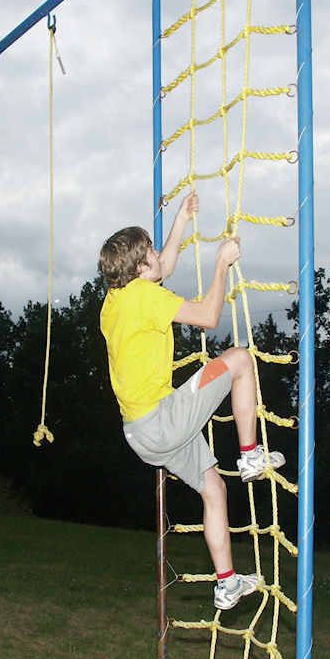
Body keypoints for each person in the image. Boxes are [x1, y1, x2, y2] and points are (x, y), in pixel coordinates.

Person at [98, 191, 286, 611]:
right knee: (239, 359)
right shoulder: (144, 296)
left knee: (214, 489)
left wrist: (182, 218)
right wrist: (221, 264)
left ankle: (227, 584)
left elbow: (162, 267)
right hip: (161, 420)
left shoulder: (114, 301)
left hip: (140, 434)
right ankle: (251, 455)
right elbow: (208, 317)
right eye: (150, 251)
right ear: (139, 267)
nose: (156, 255)